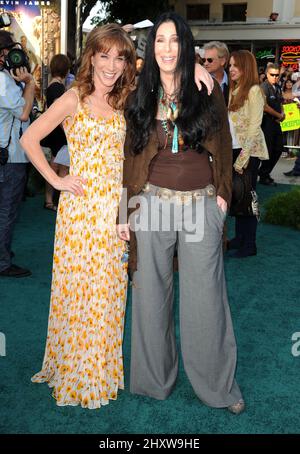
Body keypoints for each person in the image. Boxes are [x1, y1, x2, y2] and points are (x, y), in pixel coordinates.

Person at [118, 12, 245, 414]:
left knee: (206, 298)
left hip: (199, 205)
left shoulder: (204, 89)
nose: (167, 49)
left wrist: (222, 196)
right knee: (150, 295)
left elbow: (223, 142)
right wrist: (125, 211)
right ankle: (153, 382)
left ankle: (218, 388)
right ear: (151, 47)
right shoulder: (139, 92)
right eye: (160, 41)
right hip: (150, 204)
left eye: (175, 41)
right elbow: (129, 157)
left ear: (185, 46)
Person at [20, 24, 136, 409]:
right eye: (104, 55)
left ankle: (101, 368)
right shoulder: (73, 98)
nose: (111, 65)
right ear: (91, 57)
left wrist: (124, 216)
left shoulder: (123, 102)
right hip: (81, 214)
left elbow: (123, 167)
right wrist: (57, 179)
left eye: (119, 57)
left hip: (115, 213)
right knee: (81, 290)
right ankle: (76, 368)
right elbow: (29, 139)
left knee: (110, 292)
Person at [0, 30, 35, 278]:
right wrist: (30, 83)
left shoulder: (6, 80)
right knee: (7, 210)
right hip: (9, 157)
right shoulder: (2, 81)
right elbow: (23, 114)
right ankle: (2, 262)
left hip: (6, 153)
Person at [227, 50, 268, 258]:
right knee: (238, 197)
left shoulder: (254, 91)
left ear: (246, 68)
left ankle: (249, 244)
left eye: (236, 65)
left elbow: (254, 127)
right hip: (235, 150)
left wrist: (242, 159)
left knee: (248, 199)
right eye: (231, 65)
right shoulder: (234, 90)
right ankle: (240, 238)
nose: (231, 69)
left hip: (248, 153)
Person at [42, 53, 70, 211]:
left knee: (55, 165)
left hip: (53, 131)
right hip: (59, 133)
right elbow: (60, 114)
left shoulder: (52, 86)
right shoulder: (58, 88)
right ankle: (58, 201)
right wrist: (68, 130)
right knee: (61, 167)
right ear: (66, 69)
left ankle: (49, 200)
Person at [258, 63, 285, 185]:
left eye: (277, 75)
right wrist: (279, 115)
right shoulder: (263, 87)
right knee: (268, 151)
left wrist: (282, 113)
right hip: (266, 123)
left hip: (277, 123)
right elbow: (265, 107)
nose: (275, 77)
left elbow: (280, 102)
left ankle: (264, 172)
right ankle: (264, 176)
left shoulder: (278, 87)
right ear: (267, 74)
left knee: (279, 148)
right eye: (272, 74)